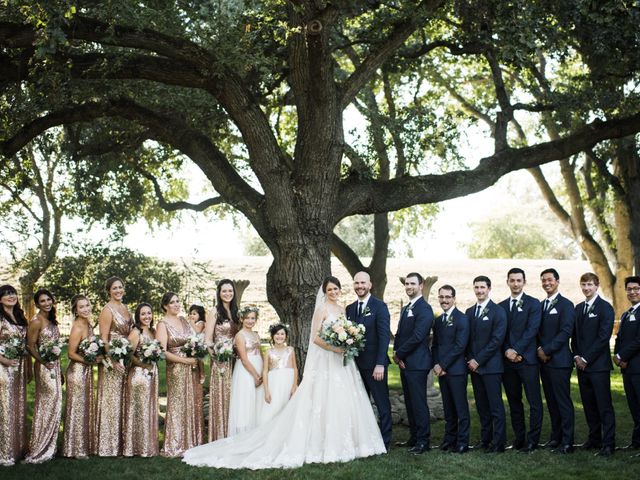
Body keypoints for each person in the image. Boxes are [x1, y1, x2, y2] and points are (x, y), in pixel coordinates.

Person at [182, 275, 385, 469]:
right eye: (329, 289)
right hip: (328, 358)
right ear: (324, 292)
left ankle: (349, 440)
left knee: (344, 398)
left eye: (335, 289)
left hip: (343, 361)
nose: (333, 292)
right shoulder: (321, 309)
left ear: (340, 290)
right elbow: (315, 338)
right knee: (323, 398)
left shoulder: (343, 309)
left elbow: (347, 331)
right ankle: (322, 442)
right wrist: (335, 348)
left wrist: (347, 343)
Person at [345, 271, 392, 451]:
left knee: (382, 404)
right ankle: (364, 439)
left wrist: (380, 363)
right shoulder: (349, 309)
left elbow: (383, 337)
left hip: (375, 366)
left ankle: (385, 440)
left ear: (370, 284)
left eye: (363, 283)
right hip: (355, 366)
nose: (360, 286)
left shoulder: (380, 307)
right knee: (360, 404)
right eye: (356, 283)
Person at [498, 268, 543, 453]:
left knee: (534, 402)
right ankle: (519, 438)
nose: (515, 284)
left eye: (519, 280)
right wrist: (507, 350)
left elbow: (532, 330)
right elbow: (500, 333)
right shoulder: (500, 306)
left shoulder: (534, 304)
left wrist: (516, 350)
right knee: (514, 402)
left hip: (528, 361)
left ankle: (533, 440)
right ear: (507, 282)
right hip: (508, 363)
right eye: (512, 280)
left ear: (524, 282)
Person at [572, 272, 616, 456]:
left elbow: (603, 337)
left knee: (604, 405)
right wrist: (576, 356)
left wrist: (586, 358)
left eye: (590, 284)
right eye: (583, 285)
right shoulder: (578, 308)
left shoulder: (605, 308)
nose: (586, 288)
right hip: (582, 366)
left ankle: (609, 443)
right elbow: (574, 337)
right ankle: (594, 438)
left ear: (596, 285)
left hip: (598, 367)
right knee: (589, 405)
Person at [156, 291, 204, 457]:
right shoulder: (162, 324)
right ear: (165, 306)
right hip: (176, 368)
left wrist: (196, 353)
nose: (176, 304)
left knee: (192, 401)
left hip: (192, 368)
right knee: (177, 404)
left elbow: (196, 338)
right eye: (172, 302)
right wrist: (184, 361)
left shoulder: (184, 320)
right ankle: (175, 444)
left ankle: (192, 442)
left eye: (178, 301)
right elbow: (162, 352)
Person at [393, 272, 434, 454]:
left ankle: (424, 441)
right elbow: (401, 334)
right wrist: (398, 353)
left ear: (421, 285)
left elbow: (418, 336)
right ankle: (414, 437)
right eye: (407, 283)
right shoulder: (406, 308)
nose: (409, 287)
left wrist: (400, 354)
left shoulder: (424, 309)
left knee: (418, 402)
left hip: (418, 363)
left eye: (412, 284)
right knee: (410, 402)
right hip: (405, 362)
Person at [465, 275, 507, 453]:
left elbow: (496, 341)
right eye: (476, 287)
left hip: (491, 368)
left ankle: (498, 443)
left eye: (482, 287)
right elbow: (467, 340)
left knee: (495, 407)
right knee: (482, 407)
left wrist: (478, 360)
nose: (479, 290)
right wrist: (470, 360)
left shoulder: (498, 312)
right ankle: (485, 439)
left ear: (489, 289)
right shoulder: (469, 312)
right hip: (474, 369)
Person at [94, 276, 134, 456]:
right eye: (114, 288)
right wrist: (114, 360)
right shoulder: (107, 310)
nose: (118, 290)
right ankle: (107, 445)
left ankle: (122, 442)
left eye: (120, 287)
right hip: (112, 361)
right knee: (111, 400)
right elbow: (104, 339)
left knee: (123, 399)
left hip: (125, 357)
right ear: (109, 291)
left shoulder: (126, 308)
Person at [538, 268, 575, 454]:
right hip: (544, 362)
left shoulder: (566, 305)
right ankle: (556, 437)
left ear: (557, 281)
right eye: (543, 280)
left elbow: (565, 332)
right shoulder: (541, 304)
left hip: (560, 361)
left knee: (563, 402)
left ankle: (568, 441)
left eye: (550, 279)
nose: (547, 283)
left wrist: (547, 350)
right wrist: (539, 350)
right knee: (551, 401)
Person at [25, 289, 63, 463]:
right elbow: (30, 346)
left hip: (54, 367)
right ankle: (39, 448)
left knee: (55, 404)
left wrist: (59, 369)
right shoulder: (36, 321)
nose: (47, 303)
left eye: (49, 299)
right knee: (47, 404)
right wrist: (43, 361)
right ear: (37, 304)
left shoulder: (52, 320)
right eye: (43, 301)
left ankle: (50, 447)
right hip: (43, 367)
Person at [432, 285, 470, 454]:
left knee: (460, 408)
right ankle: (449, 439)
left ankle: (462, 442)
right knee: (448, 408)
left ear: (454, 298)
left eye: (448, 297)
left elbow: (460, 346)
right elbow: (435, 346)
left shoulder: (462, 319)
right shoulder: (438, 321)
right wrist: (436, 364)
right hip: (442, 371)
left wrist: (443, 365)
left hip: (456, 370)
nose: (444, 300)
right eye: (441, 297)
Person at [63, 295, 99, 459]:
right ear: (76, 310)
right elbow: (71, 354)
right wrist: (89, 361)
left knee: (84, 408)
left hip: (86, 371)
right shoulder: (77, 327)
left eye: (87, 305)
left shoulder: (88, 324)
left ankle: (84, 444)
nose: (86, 309)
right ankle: (75, 449)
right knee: (77, 409)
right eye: (81, 307)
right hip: (77, 372)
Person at [204, 279, 240, 441]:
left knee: (235, 395)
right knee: (222, 397)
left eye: (230, 291)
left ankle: (234, 432)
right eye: (224, 291)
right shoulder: (214, 312)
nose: (227, 294)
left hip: (236, 361)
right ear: (219, 293)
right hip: (221, 362)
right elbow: (208, 340)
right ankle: (220, 434)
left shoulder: (236, 311)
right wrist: (217, 358)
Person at [123, 303, 160, 457]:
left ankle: (147, 446)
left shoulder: (153, 331)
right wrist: (143, 364)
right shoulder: (135, 332)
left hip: (151, 373)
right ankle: (135, 448)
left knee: (149, 409)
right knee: (138, 411)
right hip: (139, 374)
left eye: (149, 313)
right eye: (143, 314)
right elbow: (129, 354)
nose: (147, 316)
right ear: (138, 316)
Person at [0, 284, 28, 466]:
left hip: (20, 368)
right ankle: (5, 453)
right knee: (7, 409)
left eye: (13, 293)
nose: (11, 296)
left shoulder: (18, 316)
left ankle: (17, 450)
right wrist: (4, 361)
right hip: (4, 368)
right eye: (6, 294)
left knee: (18, 408)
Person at [613, 275, 640, 456]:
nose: (632, 292)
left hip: (638, 367)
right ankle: (636, 442)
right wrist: (617, 354)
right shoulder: (626, 313)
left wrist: (623, 355)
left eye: (636, 289)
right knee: (634, 407)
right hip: (627, 368)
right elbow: (620, 337)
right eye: (629, 289)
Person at [228, 306, 264, 436]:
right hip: (246, 370)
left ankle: (256, 431)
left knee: (257, 400)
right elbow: (243, 359)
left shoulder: (256, 335)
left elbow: (260, 353)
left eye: (253, 318)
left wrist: (263, 372)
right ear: (242, 319)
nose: (250, 321)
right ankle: (244, 433)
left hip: (258, 366)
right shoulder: (240, 335)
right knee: (246, 399)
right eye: (247, 318)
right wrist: (256, 376)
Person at [260, 323, 298, 424]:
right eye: (277, 334)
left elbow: (295, 368)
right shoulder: (268, 352)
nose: (279, 336)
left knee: (288, 408)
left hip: (288, 382)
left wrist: (294, 386)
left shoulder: (290, 350)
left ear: (286, 336)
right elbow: (265, 371)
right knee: (273, 408)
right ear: (272, 336)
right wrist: (266, 391)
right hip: (274, 383)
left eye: (282, 334)